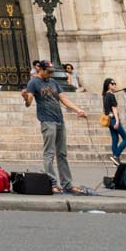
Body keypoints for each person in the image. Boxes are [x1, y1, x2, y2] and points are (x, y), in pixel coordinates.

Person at [23, 58, 91, 193]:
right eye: (48, 71)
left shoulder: (53, 82)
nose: (50, 74)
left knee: (62, 153)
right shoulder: (33, 82)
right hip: (47, 120)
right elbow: (28, 103)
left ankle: (67, 184)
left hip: (59, 119)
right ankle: (52, 183)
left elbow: (63, 99)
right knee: (49, 153)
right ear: (40, 69)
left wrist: (78, 110)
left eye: (51, 71)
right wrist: (25, 97)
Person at [103, 78, 126, 162]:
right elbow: (114, 108)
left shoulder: (105, 95)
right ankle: (116, 156)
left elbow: (106, 110)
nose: (114, 85)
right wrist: (117, 121)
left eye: (115, 83)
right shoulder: (111, 95)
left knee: (115, 139)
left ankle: (116, 159)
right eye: (112, 83)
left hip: (109, 120)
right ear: (108, 85)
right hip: (114, 120)